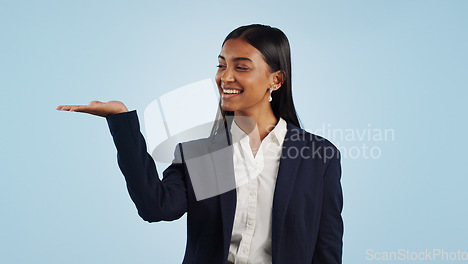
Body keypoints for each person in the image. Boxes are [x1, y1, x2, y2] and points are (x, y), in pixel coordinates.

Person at [57, 24, 343, 264]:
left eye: (241, 67)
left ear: (276, 80)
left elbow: (326, 249)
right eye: (221, 65)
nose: (225, 77)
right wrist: (121, 121)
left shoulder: (318, 157)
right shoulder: (203, 155)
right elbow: (156, 208)